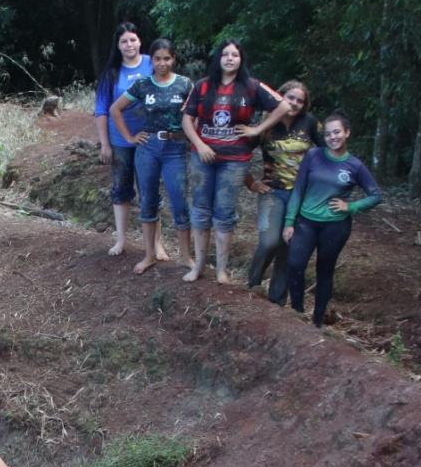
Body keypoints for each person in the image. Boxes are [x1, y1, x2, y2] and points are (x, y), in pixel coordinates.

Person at [181, 39, 291, 283]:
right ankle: (198, 266)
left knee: (225, 212)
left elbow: (283, 106)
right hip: (202, 157)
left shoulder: (251, 87)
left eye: (235, 55)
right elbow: (187, 119)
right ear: (218, 58)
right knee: (200, 210)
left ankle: (221, 269)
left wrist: (257, 129)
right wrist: (199, 145)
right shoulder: (202, 86)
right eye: (225, 54)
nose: (230, 58)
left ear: (241, 60)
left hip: (235, 159)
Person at [282, 111, 383, 327]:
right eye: (328, 134)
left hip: (335, 226)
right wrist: (290, 221)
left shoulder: (355, 165)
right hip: (306, 221)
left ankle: (317, 321)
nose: (332, 137)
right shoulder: (313, 156)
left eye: (337, 132)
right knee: (295, 264)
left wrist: (351, 206)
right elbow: (298, 189)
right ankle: (297, 312)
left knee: (324, 271)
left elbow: (376, 195)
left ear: (347, 133)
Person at [108, 38, 194, 276]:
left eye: (167, 58)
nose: (162, 63)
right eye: (157, 59)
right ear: (151, 60)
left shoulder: (185, 84)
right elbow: (115, 109)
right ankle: (149, 255)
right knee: (148, 200)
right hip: (148, 148)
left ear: (174, 59)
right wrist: (130, 137)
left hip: (175, 149)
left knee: (179, 201)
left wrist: (193, 138)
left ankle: (186, 257)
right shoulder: (143, 85)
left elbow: (197, 113)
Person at [241, 80, 322, 302]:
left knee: (289, 246)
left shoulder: (310, 123)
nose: (294, 103)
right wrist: (251, 183)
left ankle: (277, 300)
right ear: (280, 97)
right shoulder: (266, 124)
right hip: (272, 192)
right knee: (269, 242)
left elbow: (328, 152)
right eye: (290, 98)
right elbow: (238, 155)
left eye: (300, 100)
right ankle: (253, 286)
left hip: (301, 195)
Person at [94, 21, 167, 261]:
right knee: (120, 189)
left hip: (150, 138)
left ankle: (157, 244)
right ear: (118, 45)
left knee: (150, 190)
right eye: (124, 41)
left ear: (140, 41)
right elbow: (102, 110)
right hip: (120, 141)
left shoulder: (151, 63)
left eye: (133, 40)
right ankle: (121, 240)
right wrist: (104, 144)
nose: (129, 45)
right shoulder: (111, 73)